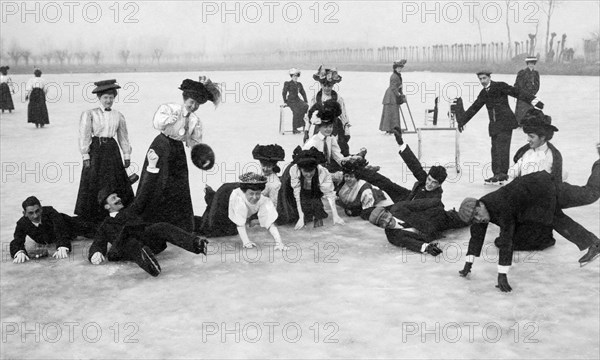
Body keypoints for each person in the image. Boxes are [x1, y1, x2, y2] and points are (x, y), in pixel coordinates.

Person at [90, 150, 209, 277]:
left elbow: (144, 194)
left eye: (117, 196)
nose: (118, 199)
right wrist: (95, 253)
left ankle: (196, 244)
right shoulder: (106, 225)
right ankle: (151, 266)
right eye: (113, 198)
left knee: (161, 226)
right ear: (107, 206)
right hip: (124, 248)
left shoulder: (130, 209)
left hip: (146, 240)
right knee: (131, 242)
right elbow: (98, 242)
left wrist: (151, 167)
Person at [137, 77, 220, 233]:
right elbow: (157, 124)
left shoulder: (195, 120)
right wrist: (170, 119)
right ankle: (151, 220)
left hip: (177, 150)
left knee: (177, 185)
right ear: (185, 99)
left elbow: (195, 142)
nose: (193, 106)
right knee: (157, 181)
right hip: (161, 146)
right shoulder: (169, 109)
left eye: (197, 105)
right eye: (191, 102)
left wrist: (202, 156)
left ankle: (176, 224)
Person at [457, 71, 544, 183]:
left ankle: (502, 174)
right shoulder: (484, 93)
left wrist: (534, 100)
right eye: (480, 79)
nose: (483, 81)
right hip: (494, 125)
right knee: (495, 150)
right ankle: (496, 174)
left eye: (484, 78)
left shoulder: (500, 86)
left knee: (503, 149)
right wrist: (462, 122)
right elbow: (474, 108)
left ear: (489, 77)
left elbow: (516, 92)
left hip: (506, 123)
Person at [75, 79, 134, 224]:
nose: (108, 100)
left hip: (112, 151)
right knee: (94, 182)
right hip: (97, 151)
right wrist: (85, 155)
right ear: (99, 98)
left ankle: (117, 216)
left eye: (111, 97)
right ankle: (94, 219)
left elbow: (123, 136)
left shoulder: (118, 115)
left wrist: (126, 154)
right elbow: (85, 135)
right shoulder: (90, 114)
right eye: (105, 98)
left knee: (115, 181)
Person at [196, 173, 287, 250]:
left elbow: (270, 223)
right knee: (212, 229)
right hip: (224, 194)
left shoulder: (264, 200)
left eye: (258, 194)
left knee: (230, 230)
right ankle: (210, 194)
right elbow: (240, 223)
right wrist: (246, 242)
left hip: (236, 197)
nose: (255, 197)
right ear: (244, 192)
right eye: (251, 194)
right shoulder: (238, 198)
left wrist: (279, 242)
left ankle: (211, 197)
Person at [366, 198, 467, 257]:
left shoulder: (399, 208)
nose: (387, 221)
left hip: (441, 219)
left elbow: (422, 204)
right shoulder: (392, 236)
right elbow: (410, 243)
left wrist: (438, 207)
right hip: (434, 234)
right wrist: (427, 248)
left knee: (469, 218)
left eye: (385, 217)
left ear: (388, 212)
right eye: (381, 223)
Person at [11, 196, 97, 263]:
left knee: (96, 228)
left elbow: (60, 229)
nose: (35, 216)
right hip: (56, 237)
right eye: (31, 213)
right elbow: (17, 240)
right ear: (24, 213)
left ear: (41, 209)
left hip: (72, 225)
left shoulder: (50, 212)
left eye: (37, 211)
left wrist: (62, 245)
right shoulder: (22, 223)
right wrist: (19, 251)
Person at [277, 146, 345, 229]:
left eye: (311, 171)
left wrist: (335, 215)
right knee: (290, 216)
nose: (308, 174)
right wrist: (301, 217)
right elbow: (297, 194)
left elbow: (329, 194)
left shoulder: (322, 172)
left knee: (316, 213)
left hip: (311, 189)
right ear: (300, 169)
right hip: (289, 189)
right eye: (305, 171)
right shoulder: (294, 170)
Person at [304, 65, 351, 156]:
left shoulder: (338, 98)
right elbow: (309, 115)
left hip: (335, 126)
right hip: (320, 126)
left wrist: (347, 131)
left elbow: (344, 115)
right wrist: (306, 131)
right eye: (324, 85)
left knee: (339, 148)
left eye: (329, 86)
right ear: (321, 85)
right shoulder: (316, 98)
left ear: (333, 85)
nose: (326, 88)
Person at [379, 59, 406, 134]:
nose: (400, 69)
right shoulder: (394, 76)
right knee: (391, 113)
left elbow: (399, 87)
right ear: (395, 68)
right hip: (390, 97)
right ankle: (390, 129)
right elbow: (394, 88)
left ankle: (393, 128)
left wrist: (401, 94)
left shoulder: (398, 75)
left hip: (393, 96)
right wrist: (399, 95)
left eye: (401, 68)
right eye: (398, 68)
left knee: (394, 113)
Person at [514, 56, 540, 125]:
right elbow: (517, 84)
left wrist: (532, 93)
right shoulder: (521, 73)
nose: (531, 65)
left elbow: (537, 85)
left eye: (533, 63)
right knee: (521, 112)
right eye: (530, 63)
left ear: (534, 64)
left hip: (531, 95)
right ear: (527, 64)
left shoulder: (536, 73)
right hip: (522, 96)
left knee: (530, 111)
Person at [282, 68, 309, 134]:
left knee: (305, 106)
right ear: (291, 76)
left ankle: (302, 123)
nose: (295, 77)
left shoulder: (299, 84)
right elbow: (284, 92)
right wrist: (285, 101)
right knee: (296, 111)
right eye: (294, 76)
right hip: (290, 100)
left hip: (297, 99)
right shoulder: (287, 83)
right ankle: (294, 128)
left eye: (296, 76)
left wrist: (305, 100)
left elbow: (303, 92)